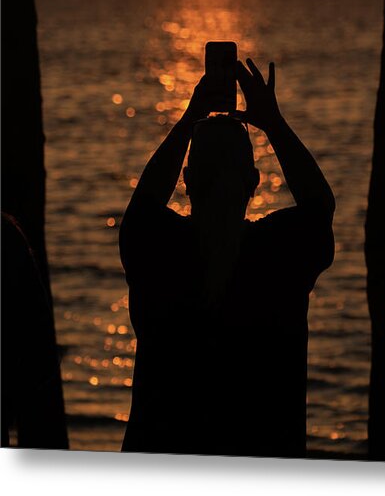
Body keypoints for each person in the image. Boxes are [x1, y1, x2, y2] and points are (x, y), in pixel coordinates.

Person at [119, 58, 335, 458]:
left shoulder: (159, 251)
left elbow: (144, 205)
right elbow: (319, 205)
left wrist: (189, 118)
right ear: (253, 182)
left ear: (186, 182)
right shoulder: (278, 255)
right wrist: (272, 121)